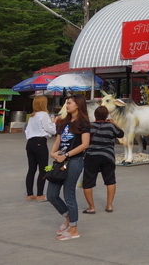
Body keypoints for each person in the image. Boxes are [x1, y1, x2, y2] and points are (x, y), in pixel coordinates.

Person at [47, 94, 91, 241]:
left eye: (69, 103)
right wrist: (53, 153)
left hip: (75, 161)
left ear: (78, 105)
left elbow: (85, 144)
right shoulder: (64, 122)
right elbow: (58, 141)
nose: (67, 105)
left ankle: (73, 229)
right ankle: (67, 217)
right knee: (51, 194)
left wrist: (66, 155)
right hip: (60, 161)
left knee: (69, 194)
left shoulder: (83, 123)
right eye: (67, 103)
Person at [82, 105, 124, 214]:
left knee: (88, 182)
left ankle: (91, 207)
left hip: (91, 156)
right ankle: (109, 205)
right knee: (110, 181)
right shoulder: (111, 126)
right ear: (106, 115)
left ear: (95, 115)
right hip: (108, 156)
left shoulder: (89, 126)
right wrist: (113, 122)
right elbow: (121, 133)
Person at [24, 95, 56, 202]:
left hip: (30, 143)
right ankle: (40, 194)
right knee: (43, 169)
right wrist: (55, 122)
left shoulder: (32, 116)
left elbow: (27, 131)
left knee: (31, 169)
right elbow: (51, 129)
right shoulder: (43, 114)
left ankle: (29, 194)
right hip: (40, 142)